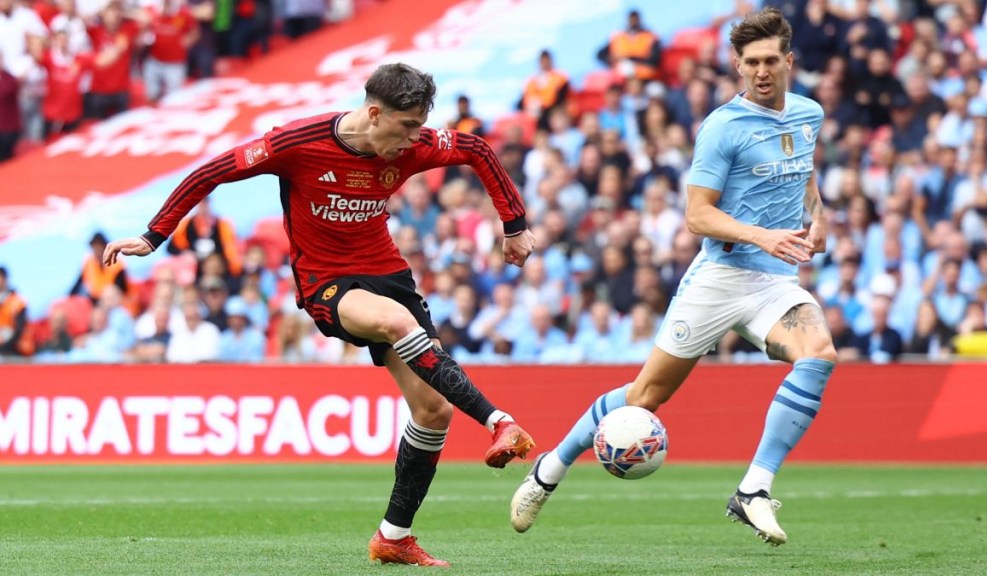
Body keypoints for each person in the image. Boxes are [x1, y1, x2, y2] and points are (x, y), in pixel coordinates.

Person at [103, 63, 537, 567]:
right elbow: (212, 171)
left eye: (420, 128)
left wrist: (514, 226)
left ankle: (393, 537)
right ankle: (498, 421)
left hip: (388, 275)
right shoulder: (297, 143)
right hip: (328, 283)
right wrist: (153, 236)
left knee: (432, 412)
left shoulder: (413, 145)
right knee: (399, 323)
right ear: (374, 114)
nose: (413, 141)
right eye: (404, 128)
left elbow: (479, 149)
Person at [511, 7, 836, 546]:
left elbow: (803, 168)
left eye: (770, 60)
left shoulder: (808, 114)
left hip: (774, 282)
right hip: (721, 275)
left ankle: (754, 489)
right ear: (736, 66)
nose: (761, 71)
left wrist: (818, 215)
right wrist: (763, 235)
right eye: (750, 62)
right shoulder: (722, 127)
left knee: (819, 355)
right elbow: (697, 215)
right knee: (645, 396)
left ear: (789, 61)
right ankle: (550, 468)